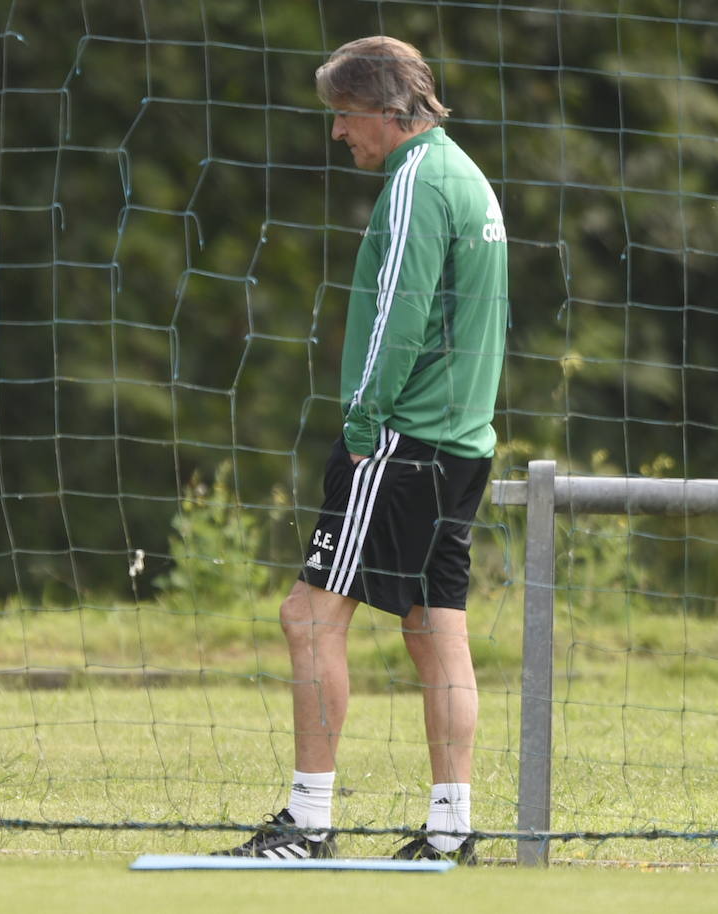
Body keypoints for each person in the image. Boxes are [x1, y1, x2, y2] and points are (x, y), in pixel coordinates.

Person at [216, 36, 508, 863]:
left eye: (343, 115)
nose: (339, 133)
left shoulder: (416, 182)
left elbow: (398, 317)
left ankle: (307, 824)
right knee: (433, 629)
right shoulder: (467, 176)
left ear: (385, 109)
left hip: (400, 436)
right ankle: (450, 829)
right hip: (461, 438)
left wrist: (361, 422)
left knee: (307, 616)